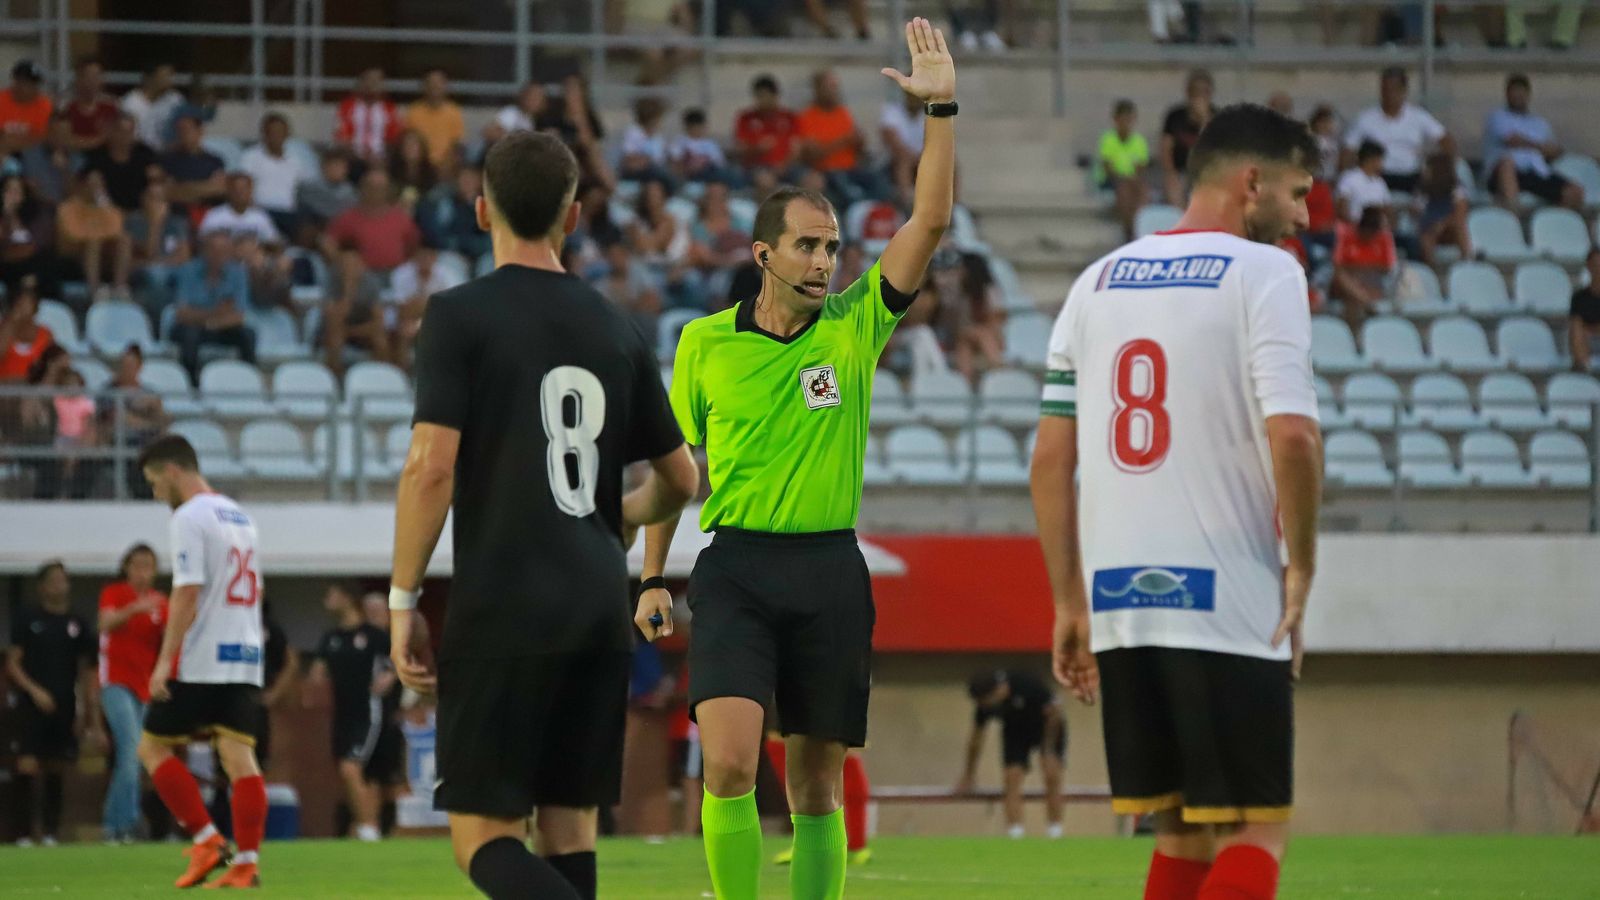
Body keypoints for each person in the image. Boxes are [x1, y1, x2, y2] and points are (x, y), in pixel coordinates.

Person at [636, 19, 955, 900]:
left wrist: (941, 111)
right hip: (735, 564)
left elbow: (930, 218)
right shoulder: (703, 344)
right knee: (732, 765)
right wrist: (651, 578)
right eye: (808, 246)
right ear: (764, 254)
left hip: (828, 569)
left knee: (815, 785)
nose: (824, 261)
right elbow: (674, 470)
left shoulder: (856, 325)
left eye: (832, 247)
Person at [386, 128, 699, 900]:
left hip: (506, 603)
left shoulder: (460, 316)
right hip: (597, 604)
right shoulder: (617, 326)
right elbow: (682, 478)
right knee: (569, 833)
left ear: (481, 209)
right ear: (576, 212)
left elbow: (430, 466)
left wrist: (401, 600)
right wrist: (621, 518)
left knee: (481, 842)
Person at [1031, 103, 1323, 900]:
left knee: (1184, 835)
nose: (1302, 218)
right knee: (1259, 827)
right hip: (1223, 592)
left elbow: (1051, 459)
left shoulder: (1095, 281)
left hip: (1122, 600)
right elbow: (1294, 437)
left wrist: (1069, 601)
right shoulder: (1267, 274)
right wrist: (1300, 568)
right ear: (1251, 181)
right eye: (1297, 193)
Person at [134, 435, 269, 888]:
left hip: (204, 657)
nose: (156, 494)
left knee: (151, 748)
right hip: (245, 653)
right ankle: (246, 863)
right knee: (239, 756)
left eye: (154, 483)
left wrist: (164, 660)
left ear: (173, 471)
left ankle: (207, 838)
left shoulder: (190, 517)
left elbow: (187, 589)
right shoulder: (240, 515)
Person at [6, 560, 101, 846]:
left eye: (64, 579)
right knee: (26, 765)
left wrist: (87, 712)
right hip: (30, 704)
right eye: (54, 580)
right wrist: (35, 691)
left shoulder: (77, 624)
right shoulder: (27, 619)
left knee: (57, 766)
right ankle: (22, 833)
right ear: (42, 586)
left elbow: (87, 672)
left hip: (64, 704)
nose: (61, 585)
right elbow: (13, 664)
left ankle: (50, 832)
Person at [303, 582, 399, 841]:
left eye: (332, 595)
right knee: (354, 774)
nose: (327, 601)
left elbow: (399, 661)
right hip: (341, 713)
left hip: (368, 712)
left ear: (348, 598)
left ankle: (368, 828)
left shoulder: (374, 636)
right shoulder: (331, 638)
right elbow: (317, 674)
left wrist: (390, 677)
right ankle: (369, 826)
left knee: (351, 768)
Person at [97, 543, 169, 843]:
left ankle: (119, 822)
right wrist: (133, 609)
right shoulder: (115, 593)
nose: (141, 573)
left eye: (148, 566)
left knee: (137, 757)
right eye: (136, 565)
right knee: (130, 750)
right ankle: (122, 823)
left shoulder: (160, 603)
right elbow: (105, 623)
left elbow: (170, 640)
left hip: (145, 687)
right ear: (126, 568)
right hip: (116, 682)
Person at [956, 669, 1066, 839]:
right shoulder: (985, 706)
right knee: (1011, 777)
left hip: (1046, 727)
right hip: (1015, 732)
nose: (985, 706)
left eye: (986, 701)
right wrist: (969, 774)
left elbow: (1055, 713)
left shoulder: (1025, 683)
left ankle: (1055, 831)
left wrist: (1049, 750)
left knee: (1051, 774)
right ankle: (1015, 833)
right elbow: (975, 742)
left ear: (997, 691)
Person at [1341, 67, 1453, 195]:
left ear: (1404, 90)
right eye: (1385, 89)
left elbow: (1446, 140)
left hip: (1413, 176)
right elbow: (1348, 149)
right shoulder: (1366, 119)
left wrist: (1440, 164)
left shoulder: (1418, 116)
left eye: (1393, 89)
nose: (1389, 94)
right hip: (1378, 176)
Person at [1482, 73, 1584, 211]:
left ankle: (1553, 223)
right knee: (1506, 165)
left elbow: (1554, 151)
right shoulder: (1498, 117)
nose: (1518, 96)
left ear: (1528, 95)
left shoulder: (1539, 123)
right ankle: (1514, 218)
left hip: (1535, 171)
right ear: (1507, 94)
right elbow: (1511, 140)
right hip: (1504, 173)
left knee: (1575, 191)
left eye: (1521, 92)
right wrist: (1540, 147)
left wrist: (1542, 148)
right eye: (1514, 92)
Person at [170, 231, 258, 383]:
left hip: (219, 327)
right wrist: (216, 312)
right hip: (192, 328)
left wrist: (210, 322)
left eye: (224, 251)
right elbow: (181, 314)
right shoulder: (188, 271)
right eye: (215, 251)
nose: (219, 256)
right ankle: (191, 384)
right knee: (190, 336)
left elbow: (239, 315)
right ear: (205, 251)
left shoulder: (238, 274)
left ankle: (248, 381)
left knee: (248, 335)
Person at [55, 169, 133, 302]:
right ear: (82, 185)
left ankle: (120, 288)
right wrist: (99, 234)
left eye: (100, 184)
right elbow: (73, 236)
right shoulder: (67, 207)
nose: (97, 188)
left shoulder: (106, 207)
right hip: (75, 255)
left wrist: (106, 209)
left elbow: (117, 231)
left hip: (104, 255)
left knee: (124, 240)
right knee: (93, 242)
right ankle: (95, 291)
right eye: (93, 184)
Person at [323, 169, 419, 275]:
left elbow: (414, 247)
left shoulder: (401, 218)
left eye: (380, 188)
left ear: (388, 190)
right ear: (363, 188)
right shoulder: (349, 217)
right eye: (371, 187)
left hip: (397, 276)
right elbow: (328, 242)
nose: (375, 191)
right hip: (364, 277)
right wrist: (343, 262)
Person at [239, 112, 312, 236]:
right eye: (272, 132)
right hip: (261, 212)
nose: (276, 136)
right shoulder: (251, 157)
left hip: (290, 214)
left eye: (280, 132)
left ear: (287, 134)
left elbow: (306, 188)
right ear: (264, 134)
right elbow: (242, 187)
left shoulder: (295, 160)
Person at [1330, 207, 1398, 328]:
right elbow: (1338, 267)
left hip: (1372, 283)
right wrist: (1362, 269)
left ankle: (1359, 334)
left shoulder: (1384, 237)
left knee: (1353, 301)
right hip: (1347, 284)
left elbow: (1387, 268)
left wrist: (1359, 268)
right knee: (1342, 279)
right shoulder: (1346, 235)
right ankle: (1367, 304)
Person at [1159, 69, 1214, 206]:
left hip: (1207, 173)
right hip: (1179, 171)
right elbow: (1166, 149)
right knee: (1173, 189)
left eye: (1204, 92)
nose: (1199, 96)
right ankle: (1185, 223)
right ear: (1188, 93)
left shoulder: (1217, 117)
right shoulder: (1175, 116)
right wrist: (1170, 174)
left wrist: (1204, 121)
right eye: (1195, 91)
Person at [1100, 99, 1151, 242]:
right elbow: (1107, 167)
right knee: (1124, 190)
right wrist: (1125, 178)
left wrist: (1132, 178)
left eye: (1129, 119)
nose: (1126, 124)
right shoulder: (1108, 139)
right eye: (1123, 119)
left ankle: (1137, 227)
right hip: (1112, 180)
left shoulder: (1139, 141)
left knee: (1143, 191)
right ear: (1115, 120)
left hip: (1132, 180)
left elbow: (1140, 168)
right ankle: (1130, 230)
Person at [84, 113, 157, 213]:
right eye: (121, 131)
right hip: (108, 209)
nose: (125, 136)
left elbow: (157, 176)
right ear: (112, 132)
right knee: (93, 178)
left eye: (129, 132)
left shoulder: (144, 152)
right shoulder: (98, 154)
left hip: (141, 208)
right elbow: (83, 182)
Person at [415, 165, 490, 261]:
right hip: (450, 254)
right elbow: (439, 235)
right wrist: (455, 246)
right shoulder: (448, 203)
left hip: (479, 257)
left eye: (471, 179)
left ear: (479, 182)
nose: (467, 183)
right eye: (463, 179)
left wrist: (463, 244)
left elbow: (487, 243)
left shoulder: (487, 207)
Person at [733, 75, 800, 178]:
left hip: (788, 167)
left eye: (763, 96)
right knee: (764, 180)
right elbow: (739, 149)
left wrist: (783, 166)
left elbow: (796, 148)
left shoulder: (790, 117)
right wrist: (757, 149)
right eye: (757, 97)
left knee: (813, 181)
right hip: (756, 167)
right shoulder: (745, 118)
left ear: (775, 96)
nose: (760, 101)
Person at [335, 67, 403, 165]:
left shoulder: (390, 109)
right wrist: (357, 157)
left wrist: (382, 158)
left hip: (381, 160)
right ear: (360, 83)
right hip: (352, 159)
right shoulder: (347, 106)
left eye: (377, 80)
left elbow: (394, 139)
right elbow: (341, 136)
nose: (372, 84)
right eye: (368, 79)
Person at [158, 114, 226, 212]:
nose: (182, 134)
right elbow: (166, 192)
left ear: (200, 131)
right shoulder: (167, 160)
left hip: (207, 212)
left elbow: (219, 189)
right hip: (177, 213)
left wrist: (183, 188)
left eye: (187, 130)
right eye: (179, 130)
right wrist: (205, 187)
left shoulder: (215, 161)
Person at [1415, 150, 1472, 268]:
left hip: (1449, 227)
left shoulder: (1456, 188)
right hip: (1430, 226)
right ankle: (1430, 267)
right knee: (1426, 237)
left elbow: (1460, 213)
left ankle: (1467, 261)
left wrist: (1442, 224)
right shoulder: (1422, 190)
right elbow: (1419, 212)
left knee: (1459, 226)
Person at [0, 177, 55, 299]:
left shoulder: (31, 218)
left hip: (32, 262)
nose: (13, 195)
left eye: (17, 191)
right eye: (9, 190)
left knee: (49, 262)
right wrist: (7, 214)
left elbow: (41, 244)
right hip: (7, 264)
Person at [406, 69, 465, 171]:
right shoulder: (414, 111)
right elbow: (410, 142)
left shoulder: (454, 111)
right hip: (421, 164)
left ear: (446, 86)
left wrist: (446, 163)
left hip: (445, 165)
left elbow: (457, 143)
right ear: (424, 86)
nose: (435, 86)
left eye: (439, 83)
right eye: (431, 83)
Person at [198, 172, 282, 244]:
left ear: (250, 191)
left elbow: (274, 242)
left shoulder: (260, 217)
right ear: (228, 191)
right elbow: (202, 241)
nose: (240, 192)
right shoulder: (215, 215)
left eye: (244, 188)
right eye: (236, 188)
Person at [18, 112, 80, 206]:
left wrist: (65, 171)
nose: (61, 139)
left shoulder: (77, 158)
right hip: (40, 208)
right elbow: (32, 192)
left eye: (64, 134)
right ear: (47, 132)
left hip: (69, 211)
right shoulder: (30, 153)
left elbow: (75, 195)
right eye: (56, 133)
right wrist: (55, 206)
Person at [0, 278, 54, 381]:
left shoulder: (45, 334)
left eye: (27, 303)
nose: (22, 307)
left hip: (33, 391)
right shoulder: (3, 330)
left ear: (35, 307)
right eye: (19, 303)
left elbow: (51, 366)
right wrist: (11, 322)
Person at [61, 57, 120, 152]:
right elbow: (65, 140)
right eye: (89, 76)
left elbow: (115, 139)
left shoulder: (111, 106)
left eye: (98, 76)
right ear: (79, 79)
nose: (94, 81)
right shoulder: (65, 107)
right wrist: (98, 140)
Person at [120, 62, 182, 149]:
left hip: (170, 153)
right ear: (150, 78)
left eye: (170, 76)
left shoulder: (175, 99)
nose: (169, 80)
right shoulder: (131, 102)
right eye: (164, 76)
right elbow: (128, 135)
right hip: (139, 153)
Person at [879, 92, 925, 207]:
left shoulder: (929, 114)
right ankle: (907, 203)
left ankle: (953, 206)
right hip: (893, 163)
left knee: (951, 162)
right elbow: (894, 144)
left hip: (921, 160)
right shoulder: (891, 111)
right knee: (904, 160)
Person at [1335, 140, 1392, 225]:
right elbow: (1341, 207)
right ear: (1370, 160)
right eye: (1380, 160)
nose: (1382, 164)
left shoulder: (1380, 183)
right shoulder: (1348, 178)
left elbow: (1388, 209)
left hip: (1374, 229)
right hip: (1351, 228)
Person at [0, 60, 51, 153]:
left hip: (31, 153)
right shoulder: (2, 99)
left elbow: (43, 137)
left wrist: (14, 141)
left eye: (32, 83)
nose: (27, 87)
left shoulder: (45, 105)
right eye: (23, 81)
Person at [296, 148, 357, 225]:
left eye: (343, 167)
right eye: (336, 165)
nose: (339, 170)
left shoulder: (350, 191)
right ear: (324, 166)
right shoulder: (308, 187)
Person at [387, 129, 439, 207]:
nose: (410, 148)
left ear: (422, 149)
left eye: (414, 144)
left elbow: (432, 196)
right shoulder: (391, 170)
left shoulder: (431, 171)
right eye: (407, 144)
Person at [483, 80, 545, 145]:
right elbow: (489, 133)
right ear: (523, 96)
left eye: (538, 98)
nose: (534, 101)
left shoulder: (530, 120)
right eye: (532, 96)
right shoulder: (511, 112)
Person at [1568, 248, 1600, 372]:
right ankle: (1583, 369)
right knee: (1577, 331)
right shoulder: (1579, 298)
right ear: (1588, 267)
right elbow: (1576, 325)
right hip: (1588, 342)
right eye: (1595, 265)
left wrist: (1590, 329)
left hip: (1591, 334)